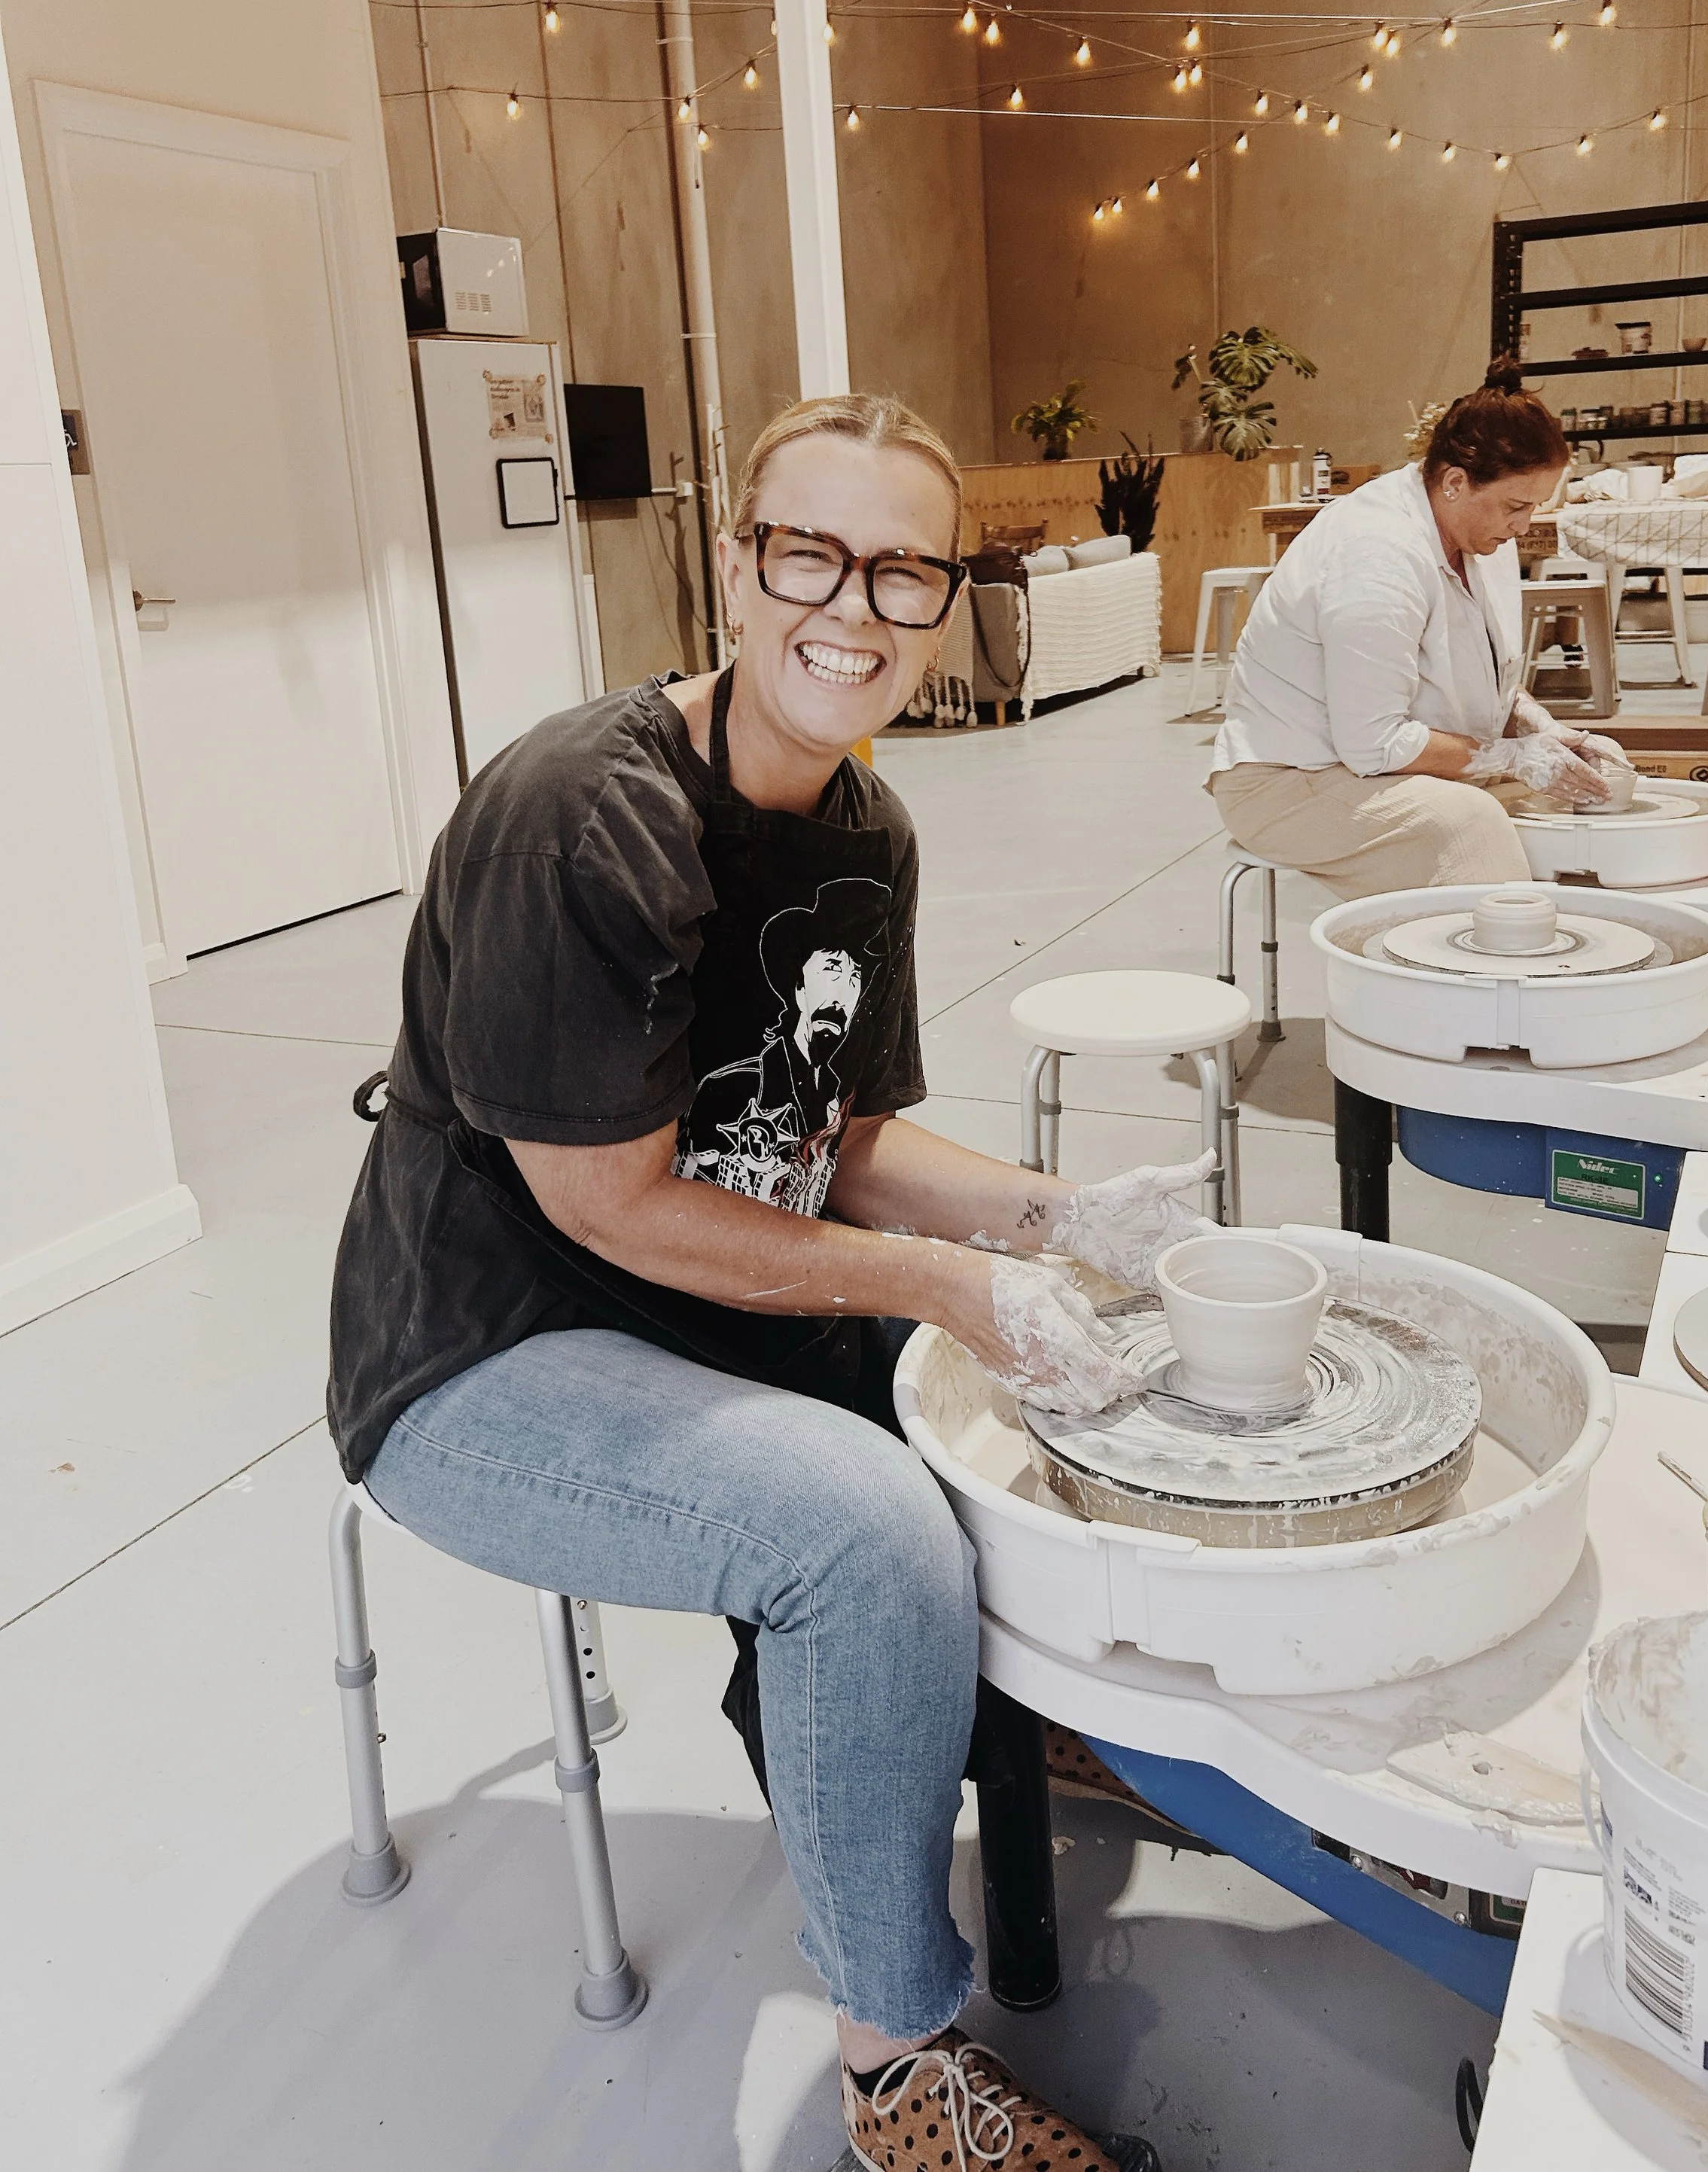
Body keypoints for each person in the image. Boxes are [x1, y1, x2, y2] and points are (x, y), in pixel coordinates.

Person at [329, 393, 1207, 2172]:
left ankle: (988, 1716)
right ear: (734, 563)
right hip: (490, 1349)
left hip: (694, 1293)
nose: (855, 608)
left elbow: (844, 1138)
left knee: (1046, 1390)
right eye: (810, 551)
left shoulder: (864, 833)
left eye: (902, 570)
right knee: (860, 1526)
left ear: (946, 599)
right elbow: (610, 1207)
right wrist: (942, 1287)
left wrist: (1061, 1223)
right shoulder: (583, 815)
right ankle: (895, 2070)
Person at [1208, 370, 1630, 895]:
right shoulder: (1376, 552)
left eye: (1535, 507)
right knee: (1470, 827)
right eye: (1516, 506)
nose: (1525, 525)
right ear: (1454, 482)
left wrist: (1540, 730)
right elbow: (1373, 743)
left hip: (1376, 763)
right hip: (1288, 780)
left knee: (1563, 818)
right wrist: (1516, 757)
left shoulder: (1480, 536)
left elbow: (1475, 668)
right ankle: (1483, 973)